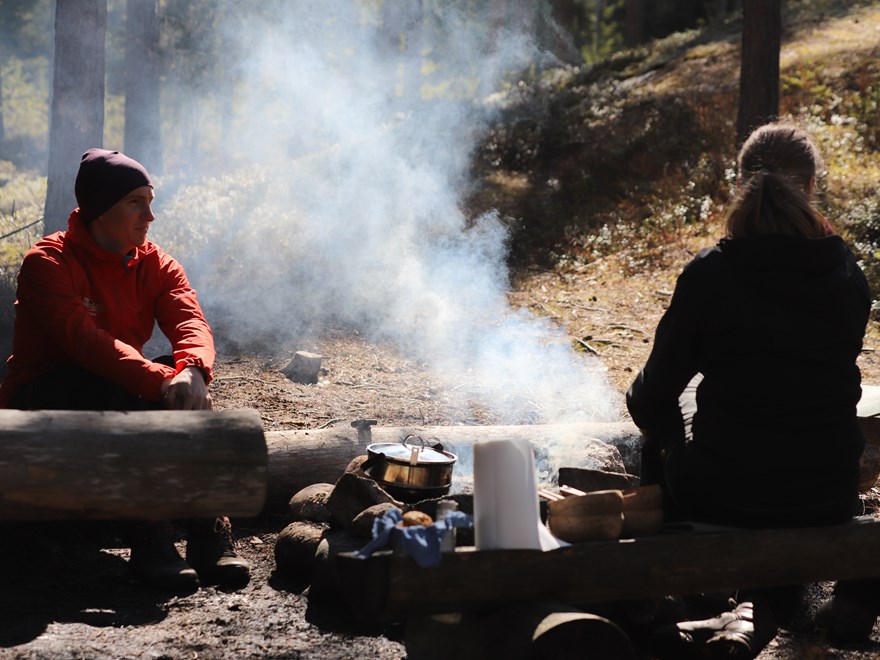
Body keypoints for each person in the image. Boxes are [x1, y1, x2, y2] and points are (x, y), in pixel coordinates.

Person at [627, 123, 875, 655]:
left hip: (724, 494)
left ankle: (666, 586)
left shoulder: (711, 274)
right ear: (811, 187)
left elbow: (650, 396)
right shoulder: (848, 275)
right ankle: (830, 606)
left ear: (740, 183)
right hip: (827, 497)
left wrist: (670, 434)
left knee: (662, 426)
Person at [0, 148, 250, 593]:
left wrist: (192, 371)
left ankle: (207, 529)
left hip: (116, 389)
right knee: (127, 384)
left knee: (177, 382)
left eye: (150, 201)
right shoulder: (48, 262)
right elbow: (88, 345)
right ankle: (149, 536)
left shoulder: (154, 262)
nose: (149, 216)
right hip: (39, 402)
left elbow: (189, 319)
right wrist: (162, 382)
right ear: (99, 208)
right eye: (136, 202)